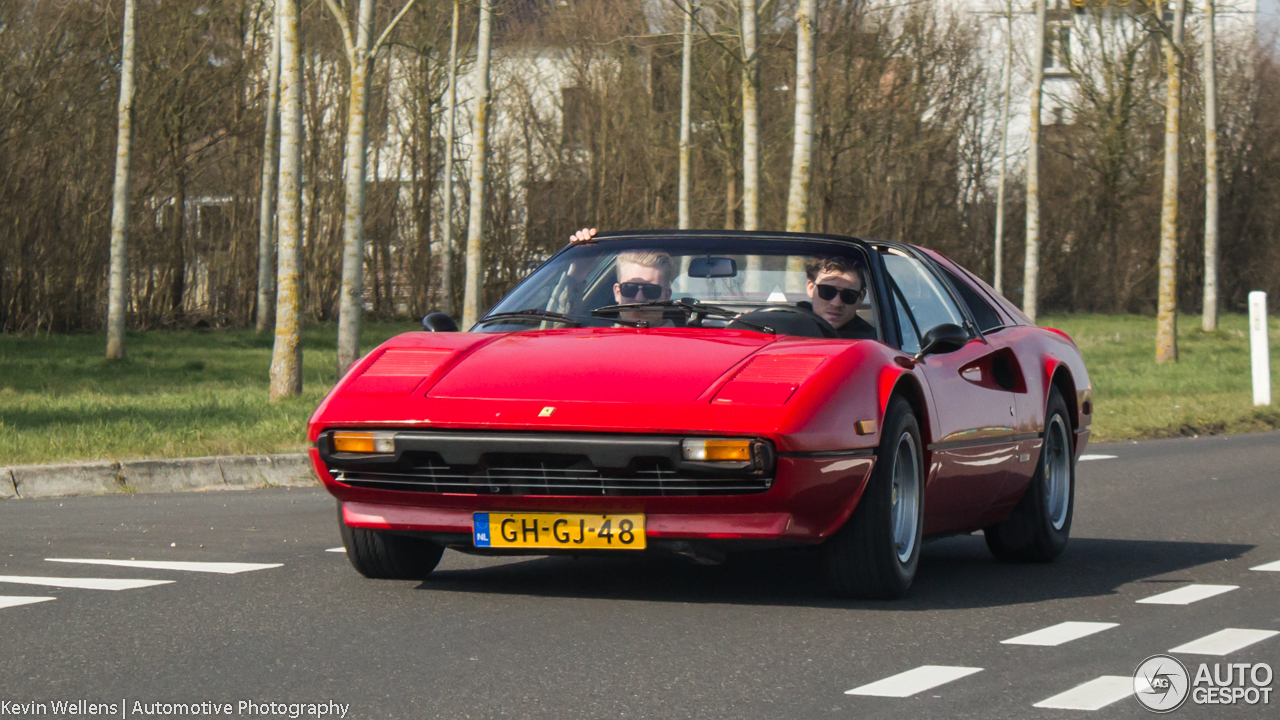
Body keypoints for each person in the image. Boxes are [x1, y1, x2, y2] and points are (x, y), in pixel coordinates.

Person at [565, 228, 674, 324]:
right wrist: (579, 270)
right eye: (629, 288)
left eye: (650, 290)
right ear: (617, 292)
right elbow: (555, 329)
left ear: (666, 295)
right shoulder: (595, 340)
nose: (639, 298)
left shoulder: (687, 344)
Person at [801, 256, 877, 340]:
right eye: (827, 292)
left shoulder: (870, 342)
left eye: (848, 295)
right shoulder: (787, 324)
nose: (836, 303)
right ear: (811, 288)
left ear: (861, 297)